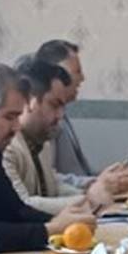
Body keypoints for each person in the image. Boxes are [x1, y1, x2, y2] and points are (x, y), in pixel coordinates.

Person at [0, 63, 97, 252]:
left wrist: (59, 221)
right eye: (9, 117)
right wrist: (50, 229)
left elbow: (15, 211)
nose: (17, 127)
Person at [3, 57, 128, 215]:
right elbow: (22, 205)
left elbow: (52, 187)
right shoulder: (7, 146)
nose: (60, 116)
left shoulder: (41, 141)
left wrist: (96, 189)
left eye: (63, 107)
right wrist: (90, 199)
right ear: (29, 101)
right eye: (54, 105)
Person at [34, 39, 93, 186]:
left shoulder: (61, 113)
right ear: (57, 72)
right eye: (77, 72)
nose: (82, 78)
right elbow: (48, 179)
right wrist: (91, 185)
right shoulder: (41, 122)